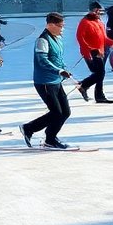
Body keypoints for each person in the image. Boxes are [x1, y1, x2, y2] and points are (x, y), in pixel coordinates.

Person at [19, 13, 75, 149]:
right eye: (60, 26)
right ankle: (29, 128)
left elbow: (57, 58)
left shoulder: (57, 38)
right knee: (56, 112)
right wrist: (59, 70)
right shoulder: (42, 40)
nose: (62, 29)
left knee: (65, 112)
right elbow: (42, 60)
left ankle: (50, 138)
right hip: (44, 81)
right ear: (50, 25)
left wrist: (63, 70)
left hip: (56, 80)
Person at [75, 2, 113, 104]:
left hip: (100, 51)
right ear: (94, 10)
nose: (100, 14)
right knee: (100, 73)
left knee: (99, 73)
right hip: (91, 52)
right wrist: (90, 50)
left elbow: (104, 38)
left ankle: (96, 94)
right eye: (99, 11)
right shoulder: (84, 22)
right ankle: (84, 86)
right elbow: (80, 38)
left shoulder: (99, 22)